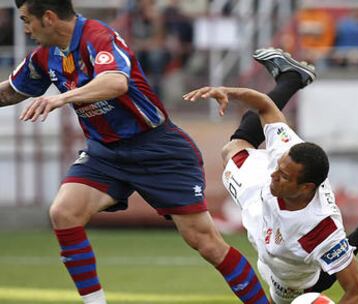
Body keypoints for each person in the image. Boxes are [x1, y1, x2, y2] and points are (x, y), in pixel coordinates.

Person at [0, 1, 270, 303]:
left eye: (27, 20)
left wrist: (62, 99)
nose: (25, 28)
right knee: (63, 212)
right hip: (105, 153)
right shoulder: (43, 57)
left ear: (48, 18)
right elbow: (10, 91)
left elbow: (115, 81)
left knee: (206, 243)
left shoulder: (98, 37)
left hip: (157, 148)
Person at [184, 48, 358, 304]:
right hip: (257, 199)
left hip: (287, 275)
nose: (274, 174)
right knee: (232, 149)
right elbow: (265, 106)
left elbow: (357, 294)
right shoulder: (286, 156)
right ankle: (292, 77)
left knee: (311, 283)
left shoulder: (320, 228)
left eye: (284, 175)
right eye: (278, 168)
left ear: (306, 187)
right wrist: (228, 92)